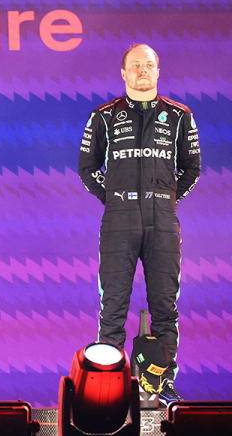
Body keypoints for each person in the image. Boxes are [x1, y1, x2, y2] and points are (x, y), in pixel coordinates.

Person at [78, 44, 200, 405]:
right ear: (123, 73)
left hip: (163, 219)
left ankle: (161, 385)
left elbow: (192, 168)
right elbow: (87, 168)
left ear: (158, 71)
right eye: (136, 65)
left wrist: (167, 198)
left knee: (165, 306)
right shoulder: (102, 116)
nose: (143, 71)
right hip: (119, 220)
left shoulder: (179, 116)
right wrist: (115, 198)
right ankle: (108, 389)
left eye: (149, 65)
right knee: (113, 306)